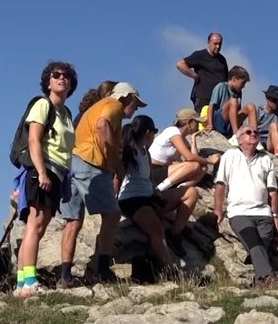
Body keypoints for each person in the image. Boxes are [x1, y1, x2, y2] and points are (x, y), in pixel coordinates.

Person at [59, 81, 145, 287]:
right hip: (90, 162)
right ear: (126, 97)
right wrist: (112, 158)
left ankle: (65, 276)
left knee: (73, 221)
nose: (136, 109)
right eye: (135, 103)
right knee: (113, 214)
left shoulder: (95, 107)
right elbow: (101, 125)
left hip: (73, 163)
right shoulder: (114, 105)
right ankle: (103, 270)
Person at [13, 61, 76, 297]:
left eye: (66, 75)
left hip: (56, 173)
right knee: (36, 224)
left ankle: (21, 284)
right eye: (56, 75)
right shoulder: (42, 104)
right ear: (48, 82)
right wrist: (40, 172)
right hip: (42, 170)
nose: (62, 78)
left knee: (37, 227)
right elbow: (34, 139)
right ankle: (30, 281)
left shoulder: (66, 113)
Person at [117, 115, 190, 278]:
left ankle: (175, 233)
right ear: (148, 133)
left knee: (190, 193)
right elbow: (118, 176)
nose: (154, 136)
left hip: (149, 196)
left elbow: (150, 179)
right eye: (154, 132)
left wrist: (157, 193)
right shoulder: (129, 151)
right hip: (132, 199)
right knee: (156, 229)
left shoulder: (146, 154)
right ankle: (170, 271)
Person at [213, 124, 278, 288]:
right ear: (239, 139)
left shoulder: (266, 159)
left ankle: (259, 282)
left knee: (261, 246)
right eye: (248, 132)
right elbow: (220, 184)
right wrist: (218, 209)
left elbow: (272, 190)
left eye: (255, 132)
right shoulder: (230, 155)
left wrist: (275, 215)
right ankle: (269, 277)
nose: (253, 134)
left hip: (263, 213)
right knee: (255, 243)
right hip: (239, 212)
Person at [150, 107, 219, 192]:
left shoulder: (183, 139)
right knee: (195, 166)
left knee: (203, 168)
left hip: (164, 170)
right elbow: (189, 157)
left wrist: (193, 138)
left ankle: (180, 188)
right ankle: (159, 189)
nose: (198, 125)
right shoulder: (173, 131)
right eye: (196, 122)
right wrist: (210, 161)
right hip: (153, 169)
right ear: (189, 123)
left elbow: (195, 157)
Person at [177, 31, 229, 114]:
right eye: (215, 44)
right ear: (208, 42)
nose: (218, 46)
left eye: (220, 44)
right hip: (203, 97)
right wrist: (194, 75)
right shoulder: (199, 55)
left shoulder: (222, 60)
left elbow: (226, 80)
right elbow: (180, 64)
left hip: (219, 99)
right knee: (201, 120)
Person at [204, 66, 258, 143]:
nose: (243, 86)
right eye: (242, 83)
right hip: (219, 121)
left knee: (251, 106)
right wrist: (210, 124)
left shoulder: (238, 92)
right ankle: (236, 136)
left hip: (230, 123)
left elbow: (236, 112)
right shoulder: (221, 86)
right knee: (233, 101)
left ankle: (254, 135)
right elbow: (211, 107)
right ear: (234, 79)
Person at [256, 85, 278, 157]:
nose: (277, 103)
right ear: (267, 98)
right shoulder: (258, 111)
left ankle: (277, 154)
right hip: (258, 141)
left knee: (274, 125)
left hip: (272, 142)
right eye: (274, 100)